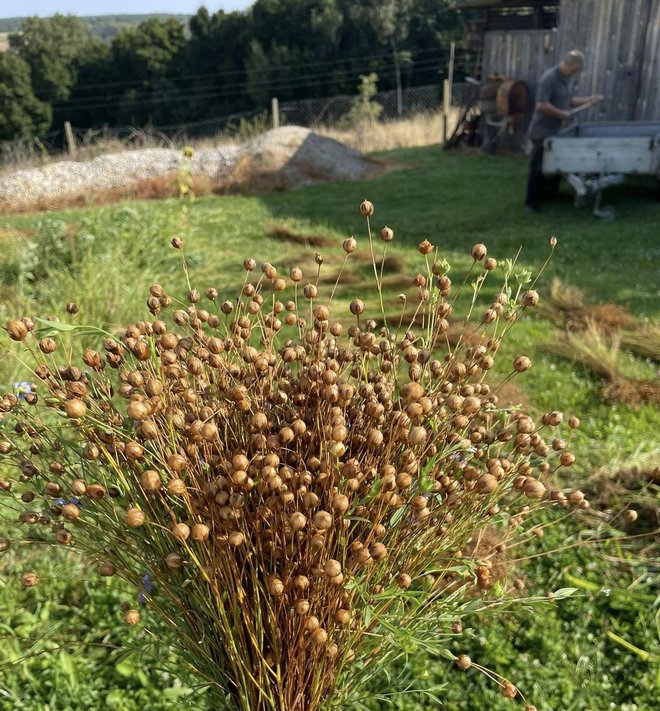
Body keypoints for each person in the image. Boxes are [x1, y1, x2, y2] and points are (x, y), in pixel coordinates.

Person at [524, 50, 602, 212]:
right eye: (573, 70)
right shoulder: (549, 78)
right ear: (567, 64)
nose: (574, 73)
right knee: (538, 168)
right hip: (541, 131)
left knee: (555, 165)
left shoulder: (565, 80)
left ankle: (550, 194)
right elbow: (541, 105)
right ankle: (530, 203)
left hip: (556, 130)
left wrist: (589, 99)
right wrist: (561, 113)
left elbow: (570, 101)